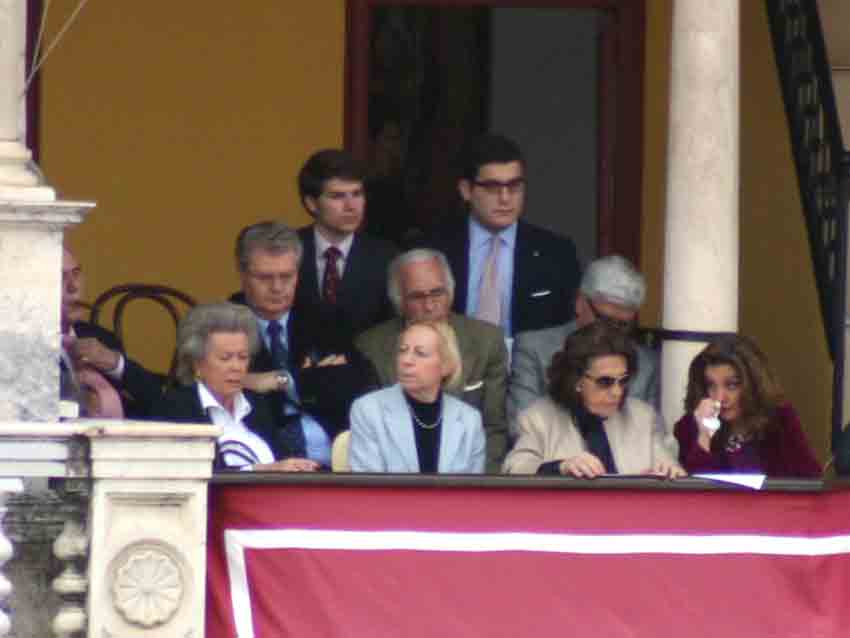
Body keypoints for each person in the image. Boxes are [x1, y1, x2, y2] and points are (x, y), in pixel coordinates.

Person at [229, 221, 377, 468]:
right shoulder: (223, 325)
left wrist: (280, 380)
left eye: (286, 276)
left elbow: (359, 381)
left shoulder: (325, 318)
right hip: (267, 462)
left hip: (335, 460)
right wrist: (317, 379)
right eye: (265, 277)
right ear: (243, 275)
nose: (277, 287)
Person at [355, 248, 508, 471]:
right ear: (399, 301)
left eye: (437, 293)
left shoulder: (487, 341)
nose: (429, 306)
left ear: (451, 291)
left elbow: (494, 428)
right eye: (417, 297)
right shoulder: (371, 347)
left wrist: (483, 490)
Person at [424, 133, 581, 336]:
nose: (505, 198)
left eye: (514, 186)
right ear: (466, 190)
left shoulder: (556, 253)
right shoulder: (434, 249)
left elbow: (568, 329)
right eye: (492, 187)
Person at [150, 303, 318, 471]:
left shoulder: (257, 405)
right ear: (197, 364)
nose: (236, 367)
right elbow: (196, 474)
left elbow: (282, 459)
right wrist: (261, 471)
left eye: (243, 357)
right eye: (225, 358)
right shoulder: (177, 408)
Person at [503, 322, 683, 478]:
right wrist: (560, 467)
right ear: (576, 380)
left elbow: (672, 470)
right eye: (605, 382)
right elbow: (514, 469)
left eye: (623, 380)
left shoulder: (643, 417)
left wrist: (669, 472)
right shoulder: (538, 419)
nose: (617, 391)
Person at [507, 255, 658, 433]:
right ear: (580, 302)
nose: (612, 331)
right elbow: (521, 427)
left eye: (623, 324)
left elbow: (651, 435)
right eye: (604, 319)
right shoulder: (534, 348)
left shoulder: (646, 363)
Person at [674, 335, 821, 478]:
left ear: (753, 384)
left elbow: (810, 480)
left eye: (731, 385)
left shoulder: (779, 419)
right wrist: (704, 435)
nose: (720, 397)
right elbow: (696, 492)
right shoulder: (690, 426)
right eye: (711, 386)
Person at [294, 149, 398, 350]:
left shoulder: (387, 257)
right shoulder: (288, 250)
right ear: (311, 203)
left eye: (357, 194)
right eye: (337, 196)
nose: (351, 206)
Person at [350, 320, 485, 473]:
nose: (406, 361)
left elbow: (471, 494)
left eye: (420, 353)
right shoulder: (368, 410)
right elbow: (369, 489)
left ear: (446, 365)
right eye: (402, 350)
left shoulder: (470, 420)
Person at [60, 246, 164, 418]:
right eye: (60, 277)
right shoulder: (20, 349)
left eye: (76, 274)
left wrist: (116, 363)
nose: (73, 287)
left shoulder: (102, 338)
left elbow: (159, 402)